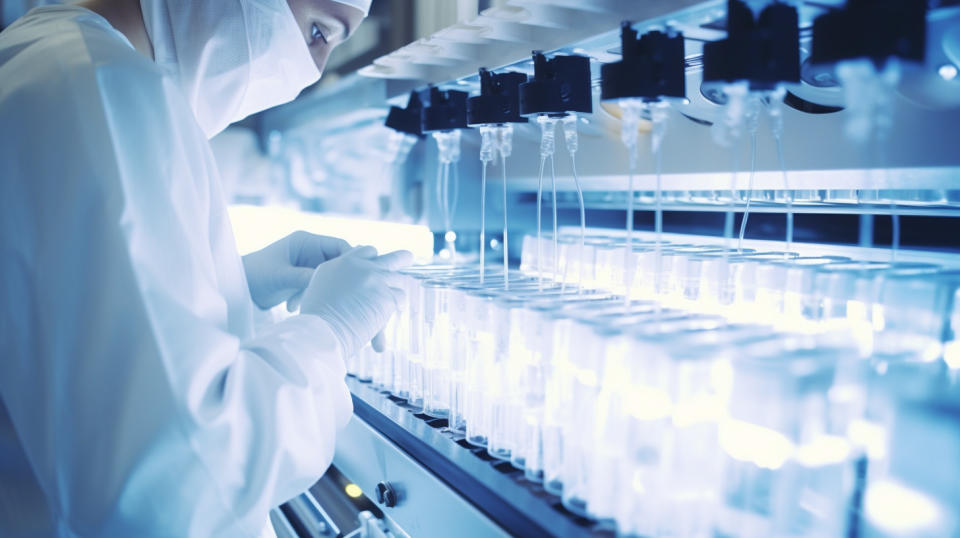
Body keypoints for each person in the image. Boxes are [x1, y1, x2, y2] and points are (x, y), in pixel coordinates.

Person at [0, 0, 411, 536]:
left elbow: (71, 325)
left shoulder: (52, 57)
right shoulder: (102, 87)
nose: (311, 71)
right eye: (317, 29)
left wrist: (234, 289)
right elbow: (179, 480)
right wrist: (330, 332)